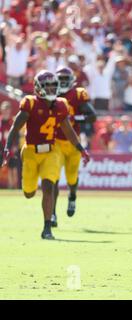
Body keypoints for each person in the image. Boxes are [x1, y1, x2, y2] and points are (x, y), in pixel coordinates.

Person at [1, 70, 90, 240]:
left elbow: (68, 130)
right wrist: (7, 147)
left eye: (53, 86)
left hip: (51, 151)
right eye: (47, 86)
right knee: (28, 192)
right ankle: (37, 203)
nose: (50, 90)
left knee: (49, 185)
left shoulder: (61, 105)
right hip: (31, 152)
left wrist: (80, 148)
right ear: (38, 87)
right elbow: (15, 127)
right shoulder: (30, 103)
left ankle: (47, 227)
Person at [52, 66, 97, 227]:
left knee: (71, 178)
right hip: (55, 142)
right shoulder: (51, 93)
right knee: (53, 179)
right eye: (60, 79)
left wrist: (75, 118)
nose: (62, 82)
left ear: (71, 80)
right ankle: (52, 214)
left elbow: (92, 116)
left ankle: (72, 196)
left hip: (73, 142)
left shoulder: (78, 94)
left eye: (65, 79)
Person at [0, 101, 19, 189]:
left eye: (7, 110)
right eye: (4, 110)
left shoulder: (12, 121)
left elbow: (17, 134)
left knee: (13, 168)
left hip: (11, 148)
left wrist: (15, 146)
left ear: (10, 110)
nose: (6, 112)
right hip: (1, 148)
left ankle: (13, 187)